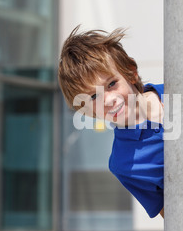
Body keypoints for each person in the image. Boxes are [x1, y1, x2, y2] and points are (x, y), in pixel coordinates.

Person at [58, 26, 164, 218]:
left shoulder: (181, 89)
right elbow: (177, 222)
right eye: (92, 97)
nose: (108, 100)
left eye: (111, 84)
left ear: (131, 72)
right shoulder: (124, 165)